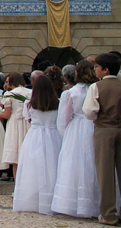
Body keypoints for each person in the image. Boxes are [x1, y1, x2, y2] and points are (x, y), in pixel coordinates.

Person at [51, 59, 101, 218]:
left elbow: (63, 118)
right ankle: (96, 201)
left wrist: (65, 135)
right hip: (94, 126)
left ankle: (72, 202)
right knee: (93, 162)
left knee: (73, 164)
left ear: (77, 73)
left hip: (76, 127)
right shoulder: (96, 89)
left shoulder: (70, 93)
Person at [13, 75, 61, 214]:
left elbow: (28, 119)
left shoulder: (29, 103)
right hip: (53, 135)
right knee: (52, 166)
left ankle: (33, 198)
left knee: (33, 167)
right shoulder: (57, 102)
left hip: (35, 135)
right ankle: (51, 198)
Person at [83, 52, 121, 225]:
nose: (95, 70)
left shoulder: (96, 87)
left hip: (104, 129)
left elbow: (90, 112)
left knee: (105, 173)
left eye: (97, 67)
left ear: (105, 70)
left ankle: (108, 213)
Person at [0, 72, 32, 180]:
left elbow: (7, 114)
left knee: (16, 158)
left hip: (15, 124)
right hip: (28, 123)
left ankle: (18, 186)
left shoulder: (10, 94)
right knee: (28, 156)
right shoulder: (30, 92)